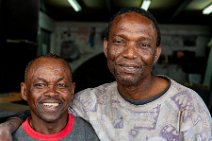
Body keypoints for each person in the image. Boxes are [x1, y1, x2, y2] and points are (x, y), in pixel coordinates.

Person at [0, 7, 211, 141]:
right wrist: (10, 125)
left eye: (143, 44)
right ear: (106, 47)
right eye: (119, 41)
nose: (129, 54)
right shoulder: (89, 102)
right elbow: (46, 107)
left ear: (156, 53)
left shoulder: (188, 107)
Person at [12, 54, 99, 141]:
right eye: (40, 85)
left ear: (72, 90)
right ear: (24, 91)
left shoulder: (87, 134)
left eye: (61, 85)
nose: (51, 93)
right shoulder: (8, 137)